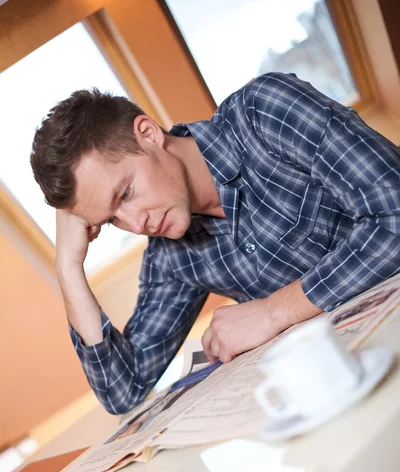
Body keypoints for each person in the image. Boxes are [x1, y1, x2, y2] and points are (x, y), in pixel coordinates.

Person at [30, 72, 400, 415]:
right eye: (111, 220)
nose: (135, 223)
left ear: (148, 133)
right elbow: (122, 391)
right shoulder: (171, 257)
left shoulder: (265, 112)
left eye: (125, 194)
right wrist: (68, 270)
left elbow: (394, 212)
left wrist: (272, 312)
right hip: (348, 386)